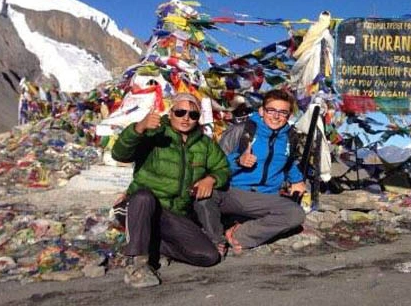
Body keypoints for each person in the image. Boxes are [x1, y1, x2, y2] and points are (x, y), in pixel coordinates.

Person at [112, 92, 231, 288]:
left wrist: (211, 179)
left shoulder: (205, 144)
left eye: (193, 115)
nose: (186, 118)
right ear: (171, 113)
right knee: (144, 197)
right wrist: (139, 127)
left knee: (208, 256)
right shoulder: (155, 134)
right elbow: (120, 154)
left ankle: (153, 245)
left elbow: (223, 168)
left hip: (172, 215)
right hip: (139, 207)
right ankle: (138, 264)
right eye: (180, 112)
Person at [193, 89, 306, 254]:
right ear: (261, 111)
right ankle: (216, 240)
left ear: (288, 115)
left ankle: (240, 235)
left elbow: (289, 162)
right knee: (204, 195)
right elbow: (215, 165)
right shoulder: (241, 131)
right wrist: (238, 162)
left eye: (282, 112)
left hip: (265, 197)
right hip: (234, 193)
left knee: (295, 214)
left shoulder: (289, 137)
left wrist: (297, 180)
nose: (276, 116)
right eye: (271, 110)